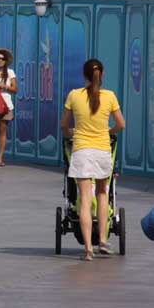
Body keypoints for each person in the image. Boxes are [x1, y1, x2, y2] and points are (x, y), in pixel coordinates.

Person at [61, 59, 126, 261]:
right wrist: (108, 131)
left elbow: (64, 126)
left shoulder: (74, 95)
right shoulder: (109, 97)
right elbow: (121, 124)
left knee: (84, 200)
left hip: (81, 151)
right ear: (102, 74)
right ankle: (103, 240)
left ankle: (88, 249)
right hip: (102, 151)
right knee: (102, 194)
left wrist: (71, 131)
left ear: (84, 75)